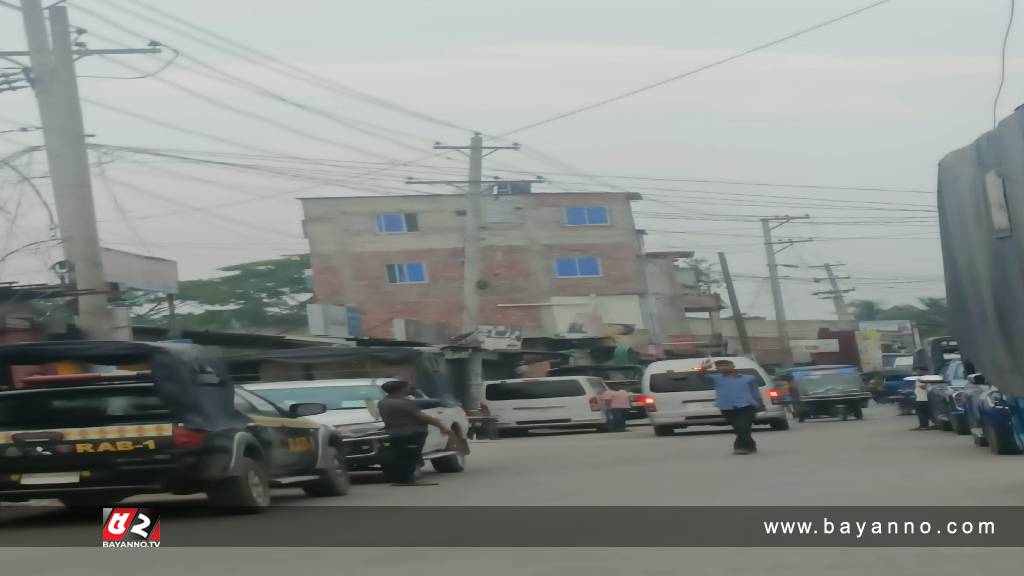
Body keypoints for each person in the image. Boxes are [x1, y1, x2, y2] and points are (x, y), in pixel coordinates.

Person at [377, 380, 450, 486]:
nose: (409, 389)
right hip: (411, 433)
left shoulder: (383, 402)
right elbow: (422, 416)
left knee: (401, 457)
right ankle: (409, 480)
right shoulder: (403, 402)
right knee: (411, 457)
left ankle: (400, 480)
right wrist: (441, 426)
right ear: (401, 389)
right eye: (407, 387)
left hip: (394, 433)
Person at [704, 359, 764, 455]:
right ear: (717, 368)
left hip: (747, 406)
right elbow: (701, 377)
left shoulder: (749, 378)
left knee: (743, 426)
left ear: (733, 366)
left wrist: (760, 405)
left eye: (726, 365)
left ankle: (740, 448)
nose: (724, 367)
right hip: (727, 407)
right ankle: (751, 446)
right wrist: (703, 369)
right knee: (738, 428)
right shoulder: (716, 378)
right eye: (720, 365)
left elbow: (755, 392)